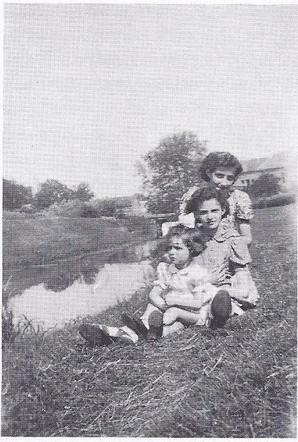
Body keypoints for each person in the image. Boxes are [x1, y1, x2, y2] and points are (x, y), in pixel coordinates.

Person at [79, 225, 236, 346]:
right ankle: (121, 334)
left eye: (178, 248)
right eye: (169, 248)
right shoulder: (166, 269)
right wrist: (160, 303)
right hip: (170, 311)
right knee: (153, 307)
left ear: (192, 250)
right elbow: (154, 292)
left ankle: (146, 328)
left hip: (192, 314)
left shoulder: (196, 273)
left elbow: (197, 303)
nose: (172, 252)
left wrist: (174, 303)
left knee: (175, 316)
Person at [180, 186, 259, 308]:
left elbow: (241, 274)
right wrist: (205, 281)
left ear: (223, 210)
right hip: (198, 285)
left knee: (241, 294)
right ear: (196, 214)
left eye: (214, 211)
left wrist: (239, 289)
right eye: (203, 212)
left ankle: (219, 307)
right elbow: (184, 272)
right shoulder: (192, 237)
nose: (210, 217)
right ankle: (157, 325)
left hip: (225, 287)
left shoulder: (232, 238)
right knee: (180, 298)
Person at [162, 152, 253, 246]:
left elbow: (247, 238)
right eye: (219, 176)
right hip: (200, 249)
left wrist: (224, 246)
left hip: (230, 249)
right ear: (209, 172)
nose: (224, 183)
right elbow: (184, 229)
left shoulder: (239, 198)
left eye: (230, 178)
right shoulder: (194, 195)